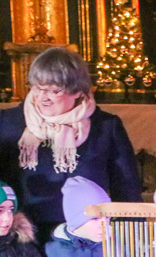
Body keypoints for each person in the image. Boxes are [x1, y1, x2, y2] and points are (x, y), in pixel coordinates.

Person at [0, 47, 141, 241]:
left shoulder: (106, 127)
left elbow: (127, 188)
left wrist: (130, 240)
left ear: (77, 91)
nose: (43, 97)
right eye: (38, 88)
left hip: (87, 238)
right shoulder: (8, 123)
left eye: (54, 91)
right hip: (25, 238)